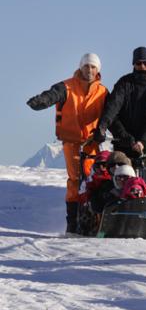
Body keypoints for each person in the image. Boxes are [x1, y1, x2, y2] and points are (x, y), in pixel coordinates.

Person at [27, 53, 108, 233]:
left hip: (92, 143)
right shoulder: (67, 87)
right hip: (71, 142)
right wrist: (41, 101)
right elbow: (51, 95)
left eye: (93, 67)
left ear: (98, 70)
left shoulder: (103, 92)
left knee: (95, 180)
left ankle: (94, 222)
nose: (89, 70)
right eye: (86, 66)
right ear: (80, 67)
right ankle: (72, 224)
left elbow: (111, 114)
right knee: (75, 181)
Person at [93, 46, 146, 189]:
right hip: (123, 143)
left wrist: (142, 142)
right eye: (138, 63)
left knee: (145, 186)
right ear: (133, 64)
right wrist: (103, 127)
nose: (142, 66)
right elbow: (112, 109)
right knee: (120, 184)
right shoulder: (124, 84)